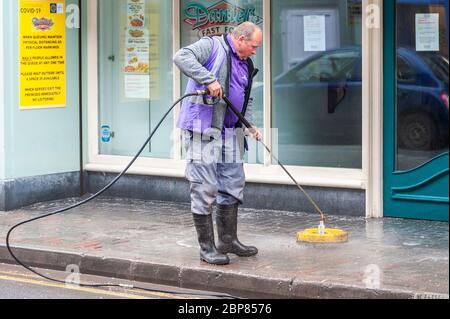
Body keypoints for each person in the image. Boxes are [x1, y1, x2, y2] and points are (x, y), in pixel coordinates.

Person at [174, 22, 263, 265]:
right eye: (254, 46)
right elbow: (181, 57)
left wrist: (248, 124)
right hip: (204, 129)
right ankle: (206, 249)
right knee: (204, 187)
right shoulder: (211, 46)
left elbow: (245, 96)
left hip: (231, 132)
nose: (255, 51)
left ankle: (227, 240)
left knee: (233, 183)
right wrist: (208, 79)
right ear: (241, 39)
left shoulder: (246, 63)